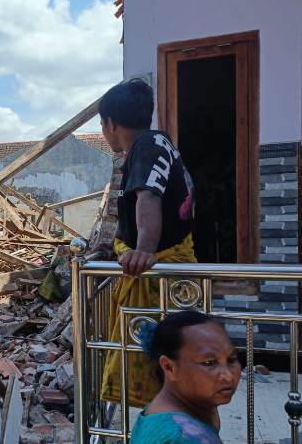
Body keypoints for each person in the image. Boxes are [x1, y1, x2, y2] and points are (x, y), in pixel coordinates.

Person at [98, 79, 197, 406]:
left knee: (152, 358)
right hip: (172, 271)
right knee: (169, 356)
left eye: (102, 125)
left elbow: (148, 198)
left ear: (111, 123)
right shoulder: (160, 142)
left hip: (158, 278)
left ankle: (156, 422)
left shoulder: (144, 147)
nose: (103, 131)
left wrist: (143, 251)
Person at [130, 311, 240, 443]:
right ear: (169, 367)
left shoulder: (158, 411)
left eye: (231, 359)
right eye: (209, 363)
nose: (228, 377)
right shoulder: (183, 437)